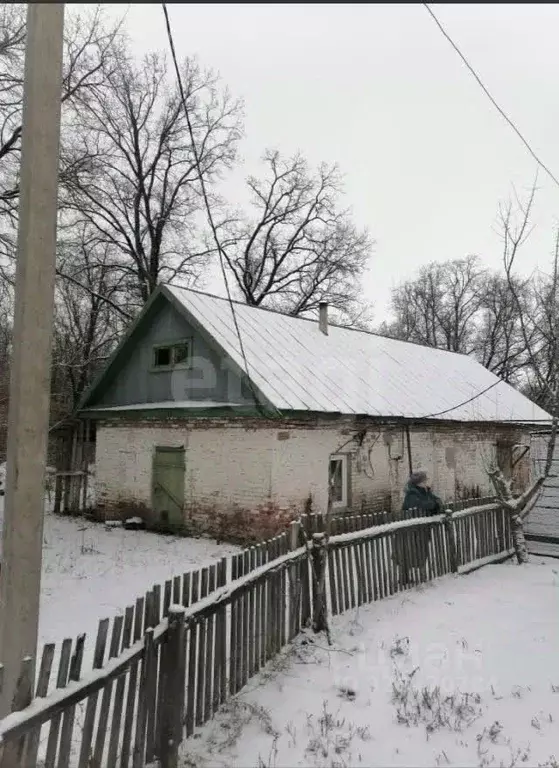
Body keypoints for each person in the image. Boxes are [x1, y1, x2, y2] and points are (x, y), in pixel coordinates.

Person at [395, 470, 444, 586]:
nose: (426, 482)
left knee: (421, 553)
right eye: (424, 480)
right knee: (405, 554)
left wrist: (434, 503)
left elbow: (437, 501)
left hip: (420, 531)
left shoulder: (424, 492)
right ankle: (404, 579)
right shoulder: (412, 494)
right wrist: (433, 504)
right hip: (409, 531)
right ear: (418, 483)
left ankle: (420, 577)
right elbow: (424, 504)